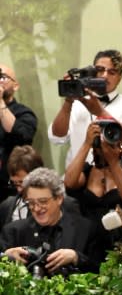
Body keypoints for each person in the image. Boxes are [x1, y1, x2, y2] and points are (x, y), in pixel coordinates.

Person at [49, 49, 122, 167]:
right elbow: (57, 137)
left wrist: (100, 112)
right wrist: (68, 101)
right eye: (100, 70)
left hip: (116, 181)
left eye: (112, 72)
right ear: (92, 72)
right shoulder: (77, 104)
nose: (105, 76)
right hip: (76, 180)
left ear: (119, 78)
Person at [64, 120, 122, 268]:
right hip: (86, 244)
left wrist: (113, 162)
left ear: (121, 147)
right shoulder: (86, 171)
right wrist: (87, 143)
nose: (107, 146)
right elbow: (70, 182)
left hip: (119, 245)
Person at [0, 166, 95, 274]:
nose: (36, 208)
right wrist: (5, 257)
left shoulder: (85, 229)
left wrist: (76, 257)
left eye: (43, 201)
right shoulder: (13, 231)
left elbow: (99, 269)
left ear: (59, 198)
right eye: (31, 202)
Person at [0, 63, 38, 202]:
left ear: (16, 86)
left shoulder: (24, 113)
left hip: (10, 189)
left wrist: (0, 102)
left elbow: (20, 137)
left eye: (2, 77)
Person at [0, 145, 44, 227]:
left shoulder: (48, 207)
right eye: (14, 183)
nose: (19, 189)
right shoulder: (6, 206)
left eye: (22, 182)